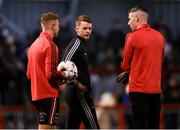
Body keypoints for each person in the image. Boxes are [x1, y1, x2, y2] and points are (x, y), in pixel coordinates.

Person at [116, 6, 164, 129]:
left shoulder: (131, 36)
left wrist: (128, 70)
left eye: (129, 19)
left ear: (137, 18)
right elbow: (159, 61)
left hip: (138, 90)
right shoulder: (160, 37)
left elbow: (125, 65)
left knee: (139, 125)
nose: (128, 22)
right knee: (154, 125)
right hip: (156, 90)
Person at [27, 12, 72, 129]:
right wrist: (65, 75)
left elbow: (29, 74)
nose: (59, 27)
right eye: (58, 25)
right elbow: (51, 75)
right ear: (52, 26)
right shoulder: (50, 45)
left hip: (36, 95)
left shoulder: (33, 46)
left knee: (50, 128)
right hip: (48, 95)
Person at [60, 15, 100, 129]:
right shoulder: (76, 43)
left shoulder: (82, 44)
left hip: (75, 93)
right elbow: (63, 66)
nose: (88, 31)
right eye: (84, 28)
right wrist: (76, 84)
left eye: (90, 28)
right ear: (77, 29)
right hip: (78, 93)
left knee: (72, 127)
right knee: (93, 127)